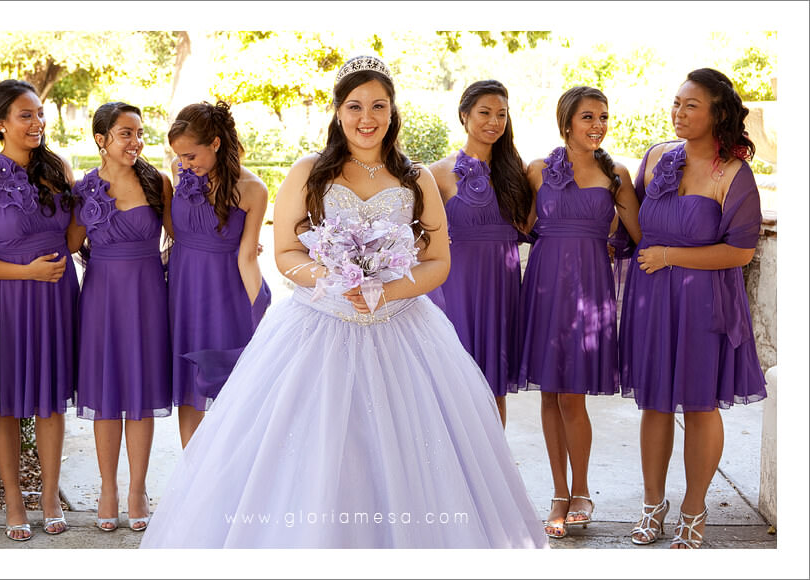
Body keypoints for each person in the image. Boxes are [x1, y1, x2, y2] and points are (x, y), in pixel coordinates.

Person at [140, 55, 548, 548]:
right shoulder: (310, 171)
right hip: (319, 324)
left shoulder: (415, 178)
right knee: (319, 448)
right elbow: (286, 250)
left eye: (379, 105)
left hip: (402, 327)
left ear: (393, 111)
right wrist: (334, 279)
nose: (366, 117)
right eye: (355, 106)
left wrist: (386, 289)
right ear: (338, 111)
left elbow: (438, 260)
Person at [619, 68, 766, 548]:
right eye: (676, 103)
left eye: (691, 105)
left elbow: (741, 252)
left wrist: (669, 256)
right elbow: (636, 223)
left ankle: (694, 507)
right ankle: (652, 505)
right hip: (652, 300)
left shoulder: (734, 173)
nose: (678, 113)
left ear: (717, 113)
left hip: (706, 305)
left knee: (701, 405)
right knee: (655, 403)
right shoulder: (657, 156)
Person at [0, 79, 79, 541]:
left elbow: (76, 232)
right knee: (5, 403)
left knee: (50, 399)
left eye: (39, 113)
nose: (37, 123)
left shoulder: (60, 169)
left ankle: (48, 496)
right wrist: (25, 272)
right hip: (7, 299)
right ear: (1, 123)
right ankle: (12, 498)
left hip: (55, 297)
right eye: (25, 115)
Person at [517, 86, 642, 539]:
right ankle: (558, 491)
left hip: (589, 290)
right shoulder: (536, 171)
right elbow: (521, 225)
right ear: (566, 121)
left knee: (572, 395)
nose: (599, 125)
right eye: (589, 116)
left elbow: (639, 235)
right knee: (549, 394)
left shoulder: (617, 175)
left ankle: (583, 489)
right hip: (545, 288)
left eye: (604, 117)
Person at [72, 102, 173, 532]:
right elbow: (70, 242)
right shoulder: (83, 190)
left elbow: (183, 238)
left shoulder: (158, 182)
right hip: (101, 299)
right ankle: (108, 489)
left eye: (138, 133)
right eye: (126, 134)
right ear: (102, 139)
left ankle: (137, 489)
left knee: (141, 393)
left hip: (148, 296)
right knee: (107, 394)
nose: (136, 142)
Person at [165, 101, 271, 448]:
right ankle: (191, 478)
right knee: (188, 389)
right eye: (179, 156)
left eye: (190, 156)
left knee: (229, 388)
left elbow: (247, 256)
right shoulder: (179, 175)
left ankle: (227, 477)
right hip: (182, 293)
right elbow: (171, 231)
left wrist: (263, 313)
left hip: (225, 295)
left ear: (215, 143)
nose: (184, 164)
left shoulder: (253, 189)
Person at [426, 80, 532, 428]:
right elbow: (418, 236)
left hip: (500, 288)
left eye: (501, 114)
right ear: (464, 115)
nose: (494, 121)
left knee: (492, 385)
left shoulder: (517, 173)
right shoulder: (437, 174)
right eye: (485, 112)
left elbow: (534, 226)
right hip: (454, 287)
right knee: (453, 381)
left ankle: (493, 468)